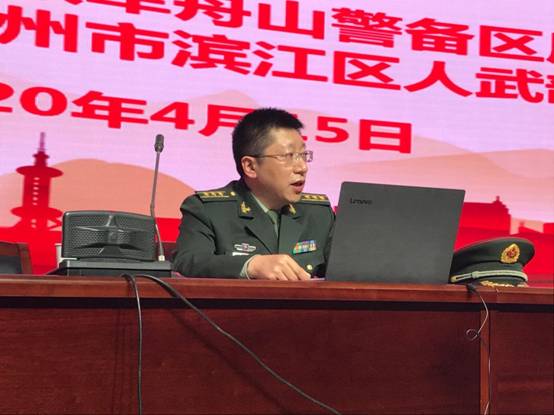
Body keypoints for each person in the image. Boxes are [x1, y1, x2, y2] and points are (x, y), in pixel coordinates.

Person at [173, 108, 334, 280]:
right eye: (288, 156)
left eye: (303, 155)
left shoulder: (318, 214)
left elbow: (347, 270)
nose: (302, 167)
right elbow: (188, 261)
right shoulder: (208, 210)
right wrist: (250, 266)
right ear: (250, 166)